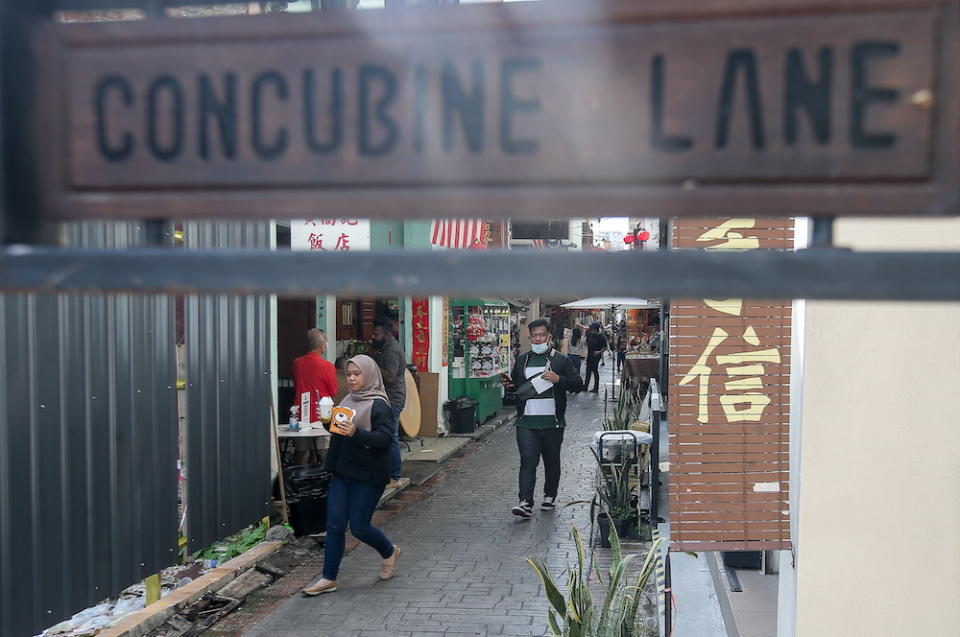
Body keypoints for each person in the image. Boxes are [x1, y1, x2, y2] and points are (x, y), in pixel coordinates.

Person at [301, 355, 400, 595]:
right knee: (334, 525)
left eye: (357, 374)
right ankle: (328, 578)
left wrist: (357, 432)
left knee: (359, 527)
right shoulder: (347, 399)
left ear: (369, 375)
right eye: (349, 374)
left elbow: (384, 440)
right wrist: (327, 420)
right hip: (344, 471)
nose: (352, 379)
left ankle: (389, 551)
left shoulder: (379, 405)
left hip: (368, 475)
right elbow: (339, 430)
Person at [508, 319, 583, 519]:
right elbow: (518, 387)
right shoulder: (522, 360)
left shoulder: (560, 360)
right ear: (529, 337)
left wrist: (559, 380)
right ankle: (525, 502)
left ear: (549, 336)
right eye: (534, 336)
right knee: (527, 461)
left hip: (553, 422)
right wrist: (508, 387)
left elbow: (578, 384)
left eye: (542, 335)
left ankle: (550, 495)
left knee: (551, 461)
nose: (538, 339)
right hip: (526, 422)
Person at [292, 329, 338, 465]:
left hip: (301, 413)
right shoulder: (327, 366)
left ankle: (298, 478)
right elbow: (333, 391)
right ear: (323, 346)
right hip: (321, 414)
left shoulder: (297, 363)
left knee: (300, 450)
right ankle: (318, 479)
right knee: (319, 451)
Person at [370, 316, 406, 490]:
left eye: (376, 334)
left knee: (391, 437)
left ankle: (395, 476)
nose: (373, 337)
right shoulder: (386, 348)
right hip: (389, 398)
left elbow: (390, 377)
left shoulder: (391, 350)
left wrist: (372, 365)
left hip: (392, 399)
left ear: (385, 333)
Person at [585, 322, 608, 393]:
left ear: (596, 329)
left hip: (596, 355)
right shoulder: (590, 334)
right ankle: (585, 386)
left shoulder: (602, 337)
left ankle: (596, 387)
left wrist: (598, 352)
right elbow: (587, 342)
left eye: (592, 329)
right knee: (588, 370)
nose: (591, 330)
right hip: (590, 354)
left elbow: (605, 347)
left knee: (594, 370)